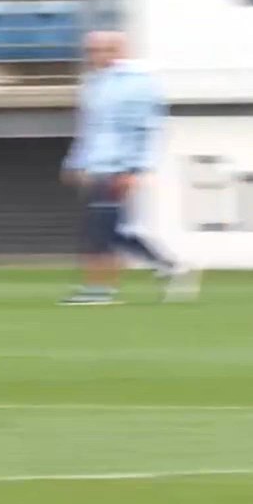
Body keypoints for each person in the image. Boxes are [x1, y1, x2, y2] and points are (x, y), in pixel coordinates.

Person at [59, 31, 199, 305]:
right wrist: (76, 162)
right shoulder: (94, 84)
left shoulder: (137, 84)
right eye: (93, 50)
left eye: (103, 49)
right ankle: (169, 268)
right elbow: (90, 130)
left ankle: (102, 289)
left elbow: (148, 129)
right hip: (95, 166)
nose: (96, 55)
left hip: (118, 167)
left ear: (119, 50)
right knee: (109, 229)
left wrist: (136, 169)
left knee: (102, 230)